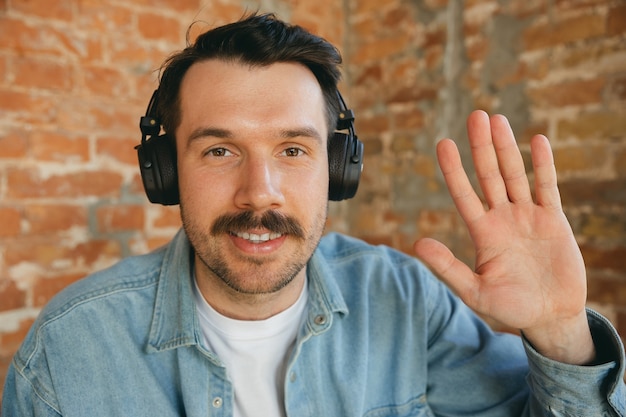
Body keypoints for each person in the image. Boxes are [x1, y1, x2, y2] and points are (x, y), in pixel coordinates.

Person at [2, 12, 625, 417]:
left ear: (339, 168)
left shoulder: (409, 300)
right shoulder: (67, 352)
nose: (259, 193)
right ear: (164, 172)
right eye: (219, 151)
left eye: (293, 150)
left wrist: (562, 335)